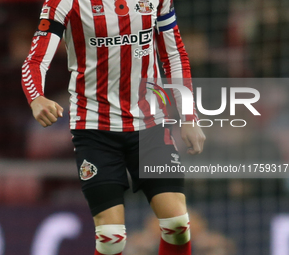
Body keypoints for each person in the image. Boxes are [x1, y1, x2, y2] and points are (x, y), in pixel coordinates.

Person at [21, 0, 206, 254]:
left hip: (150, 125)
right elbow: (35, 61)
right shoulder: (65, 2)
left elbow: (174, 54)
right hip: (95, 128)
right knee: (111, 238)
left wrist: (189, 116)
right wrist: (36, 98)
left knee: (177, 224)